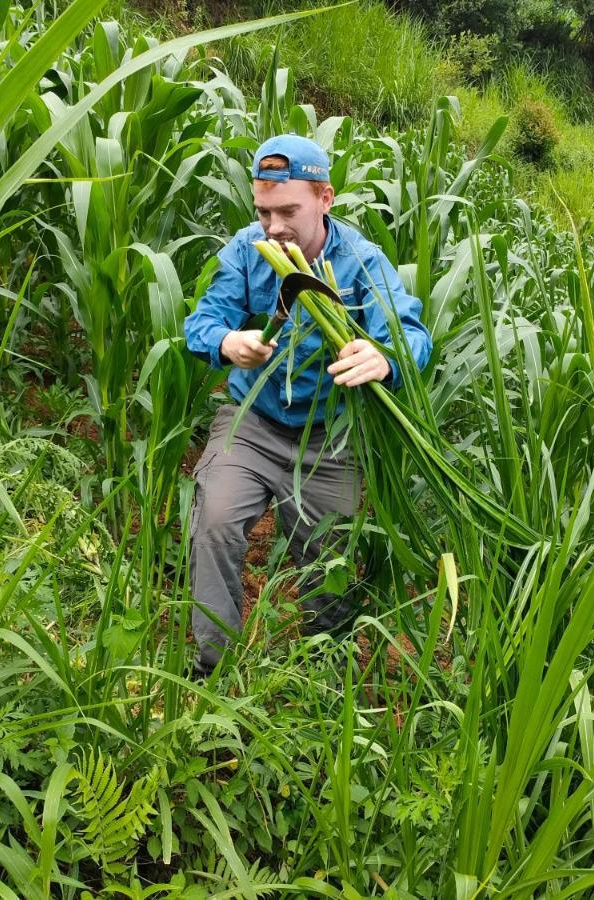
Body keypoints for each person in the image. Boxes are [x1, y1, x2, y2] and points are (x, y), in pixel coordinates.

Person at [182, 134, 432, 674]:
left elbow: (413, 335)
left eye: (288, 210)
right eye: (263, 211)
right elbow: (200, 323)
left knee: (331, 565)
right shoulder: (248, 251)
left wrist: (385, 357)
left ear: (326, 198)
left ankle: (323, 679)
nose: (273, 226)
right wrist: (228, 343)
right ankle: (209, 673)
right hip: (251, 423)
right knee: (215, 524)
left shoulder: (363, 262)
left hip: (329, 440)